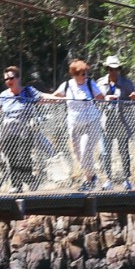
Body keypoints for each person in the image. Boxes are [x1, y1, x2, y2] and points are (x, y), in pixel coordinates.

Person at [0, 67, 42, 191]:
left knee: (24, 158)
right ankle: (19, 185)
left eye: (11, 78)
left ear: (18, 78)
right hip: (8, 133)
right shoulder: (4, 95)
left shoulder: (28, 91)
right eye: (6, 79)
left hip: (25, 132)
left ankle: (28, 180)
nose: (9, 81)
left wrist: (59, 98)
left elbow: (43, 98)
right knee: (12, 159)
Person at [52, 58, 105, 189]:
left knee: (85, 149)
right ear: (74, 74)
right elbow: (54, 96)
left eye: (86, 73)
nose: (85, 76)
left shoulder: (89, 84)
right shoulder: (67, 85)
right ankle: (91, 176)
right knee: (78, 153)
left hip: (91, 123)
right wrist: (40, 98)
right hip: (74, 125)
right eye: (82, 74)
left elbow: (101, 97)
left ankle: (88, 181)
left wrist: (106, 96)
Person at [100, 57, 135, 189]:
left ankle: (126, 179)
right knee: (106, 152)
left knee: (123, 151)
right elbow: (94, 100)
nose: (114, 72)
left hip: (122, 122)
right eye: (111, 69)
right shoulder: (101, 83)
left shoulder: (127, 83)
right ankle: (108, 179)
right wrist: (105, 98)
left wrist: (133, 98)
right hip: (106, 123)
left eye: (116, 69)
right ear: (107, 69)